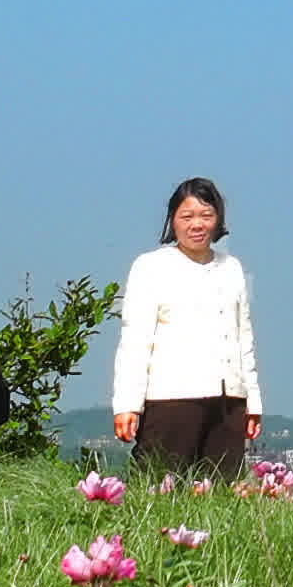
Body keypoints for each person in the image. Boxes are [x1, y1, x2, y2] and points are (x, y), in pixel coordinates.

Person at [110, 177, 264, 475]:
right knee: (159, 489)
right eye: (187, 216)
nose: (197, 225)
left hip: (228, 402)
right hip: (171, 400)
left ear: (218, 220)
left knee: (220, 494)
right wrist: (127, 404)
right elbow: (135, 340)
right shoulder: (150, 266)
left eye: (206, 216)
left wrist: (252, 401)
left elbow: (243, 337)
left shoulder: (231, 268)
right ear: (172, 220)